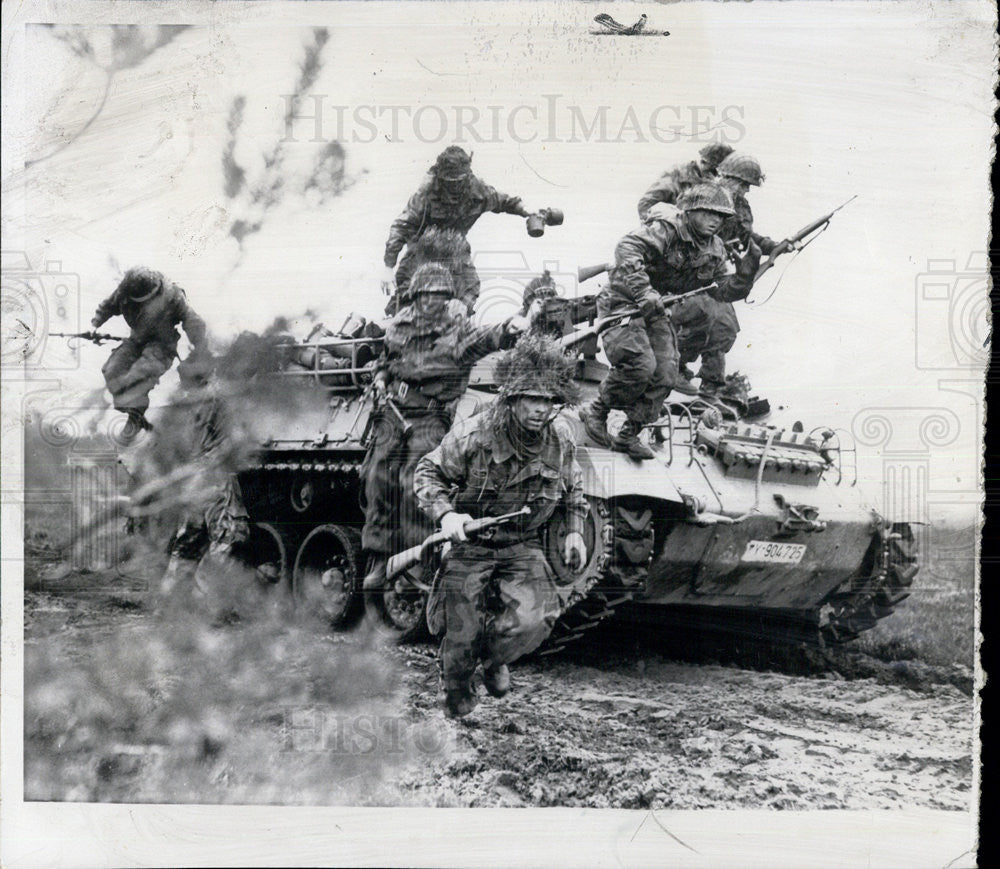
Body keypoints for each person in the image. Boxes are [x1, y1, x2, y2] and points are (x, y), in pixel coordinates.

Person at [414, 334, 588, 718]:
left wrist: (575, 528)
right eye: (532, 399)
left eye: (549, 401)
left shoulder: (560, 441)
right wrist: (448, 516)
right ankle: (458, 686)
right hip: (470, 545)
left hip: (520, 546)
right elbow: (427, 471)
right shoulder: (476, 435)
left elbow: (574, 488)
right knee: (460, 641)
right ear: (511, 398)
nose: (541, 409)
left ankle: (493, 661)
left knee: (536, 620)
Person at [360, 262, 534, 594]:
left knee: (417, 478)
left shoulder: (458, 330)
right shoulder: (400, 324)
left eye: (439, 294)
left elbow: (488, 337)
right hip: (394, 411)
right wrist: (381, 378)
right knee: (378, 476)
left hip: (430, 415)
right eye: (426, 294)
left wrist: (512, 326)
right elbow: (386, 360)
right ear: (415, 295)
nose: (432, 300)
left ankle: (412, 560)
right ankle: (380, 557)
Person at [579, 182, 759, 460]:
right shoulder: (668, 228)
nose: (716, 221)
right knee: (639, 365)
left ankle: (630, 432)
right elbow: (627, 247)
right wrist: (643, 291)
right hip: (622, 300)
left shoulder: (715, 248)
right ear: (690, 211)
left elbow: (722, 291)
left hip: (658, 307)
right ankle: (597, 410)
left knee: (666, 372)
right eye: (710, 213)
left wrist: (745, 276)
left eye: (721, 217)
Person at [382, 146, 535, 315]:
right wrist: (389, 267)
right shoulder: (425, 195)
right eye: (450, 182)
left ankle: (457, 327)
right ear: (441, 177)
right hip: (423, 251)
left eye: (459, 181)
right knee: (409, 295)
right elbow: (401, 226)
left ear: (467, 176)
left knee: (469, 290)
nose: (455, 187)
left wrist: (526, 210)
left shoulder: (478, 192)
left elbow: (504, 201)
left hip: (456, 250)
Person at [676, 154, 781, 397]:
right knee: (705, 321)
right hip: (688, 272)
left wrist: (773, 246)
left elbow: (745, 236)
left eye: (748, 186)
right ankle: (677, 367)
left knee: (724, 327)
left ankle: (711, 385)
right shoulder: (700, 196)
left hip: (715, 271)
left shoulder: (740, 205)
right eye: (744, 184)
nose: (746, 190)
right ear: (729, 179)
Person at [91, 267, 208, 436]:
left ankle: (135, 417)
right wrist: (95, 324)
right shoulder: (124, 292)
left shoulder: (171, 294)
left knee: (140, 374)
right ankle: (135, 410)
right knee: (112, 371)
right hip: (135, 341)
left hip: (162, 346)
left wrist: (200, 346)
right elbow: (107, 306)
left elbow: (191, 319)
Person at [636, 142, 735, 222]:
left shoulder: (715, 185)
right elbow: (645, 205)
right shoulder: (675, 178)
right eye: (713, 171)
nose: (716, 176)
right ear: (703, 162)